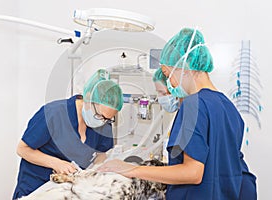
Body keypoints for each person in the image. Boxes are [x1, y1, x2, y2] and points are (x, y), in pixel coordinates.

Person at [98, 28, 257, 200]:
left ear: (184, 67)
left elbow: (193, 172)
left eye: (167, 75)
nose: (170, 83)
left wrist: (131, 169)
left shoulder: (193, 106)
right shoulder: (229, 108)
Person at [13, 69, 123, 199]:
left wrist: (95, 170)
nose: (102, 121)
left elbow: (101, 153)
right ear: (87, 99)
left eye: (108, 119)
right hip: (36, 187)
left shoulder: (103, 123)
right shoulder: (53, 114)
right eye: (99, 115)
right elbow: (22, 149)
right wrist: (56, 163)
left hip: (70, 191)